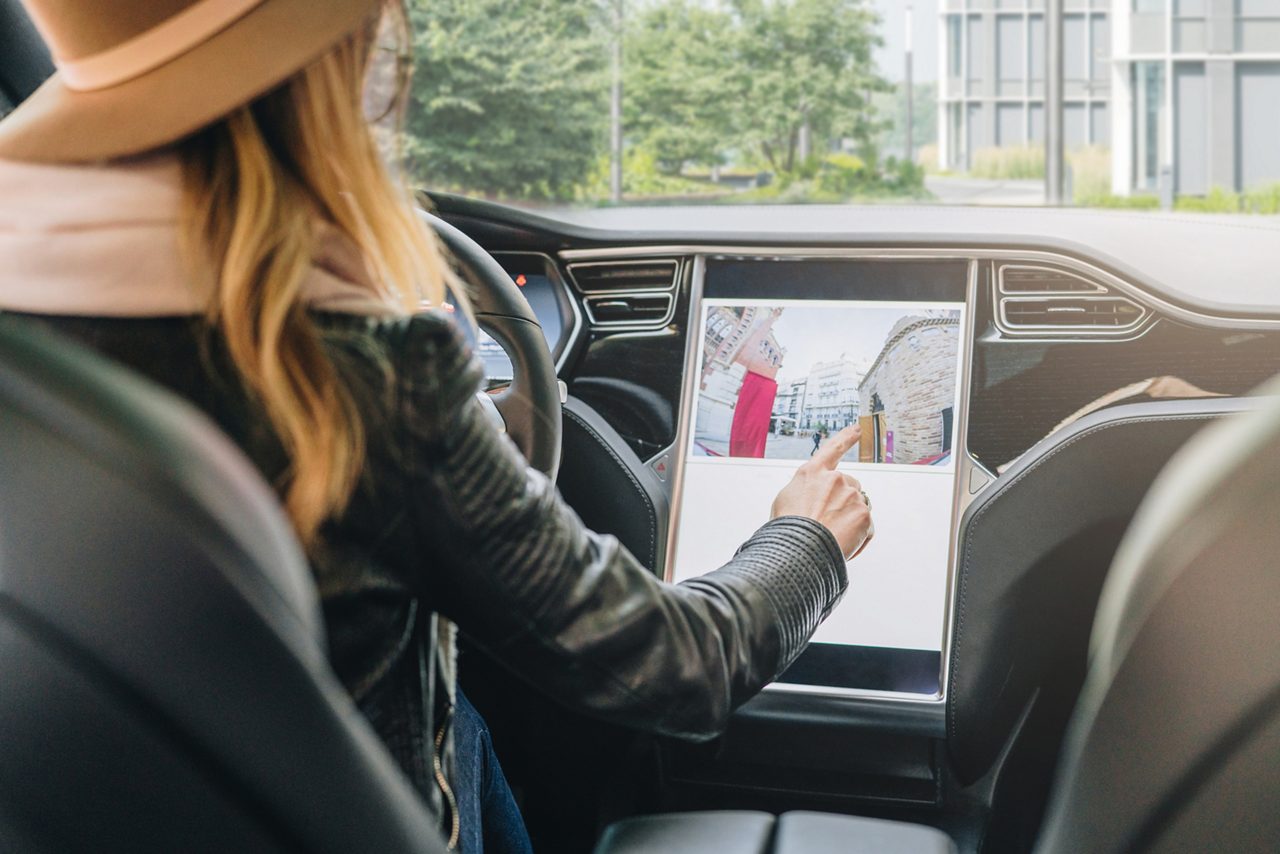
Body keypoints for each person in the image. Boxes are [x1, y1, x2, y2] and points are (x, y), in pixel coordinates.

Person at [0, 1, 874, 851]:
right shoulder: (371, 379)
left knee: (475, 721)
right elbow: (677, 665)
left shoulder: (26, 350)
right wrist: (807, 535)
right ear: (335, 71)